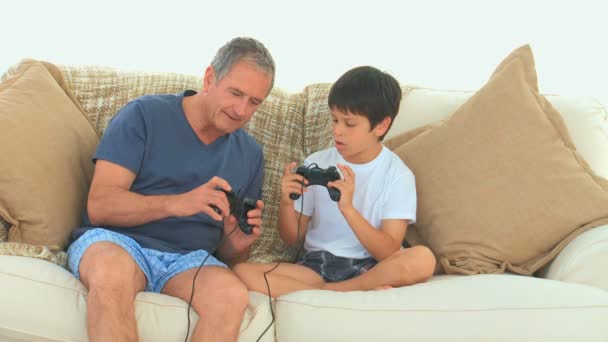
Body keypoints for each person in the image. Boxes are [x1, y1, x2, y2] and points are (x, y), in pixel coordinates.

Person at [67, 37, 275, 342]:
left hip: (189, 260)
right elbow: (100, 206)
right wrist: (177, 204)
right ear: (209, 78)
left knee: (230, 294)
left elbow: (230, 259)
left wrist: (237, 243)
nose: (241, 110)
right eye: (236, 93)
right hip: (118, 242)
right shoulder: (144, 115)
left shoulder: (250, 154)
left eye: (254, 102)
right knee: (112, 272)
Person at [233, 66, 436, 298]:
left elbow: (388, 252)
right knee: (241, 271)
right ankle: (338, 291)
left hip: (370, 266)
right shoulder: (316, 162)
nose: (337, 131)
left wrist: (348, 208)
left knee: (423, 258)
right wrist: (287, 203)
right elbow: (292, 238)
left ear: (381, 125)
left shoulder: (397, 175)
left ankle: (330, 292)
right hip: (316, 266)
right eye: (334, 119)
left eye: (349, 124)